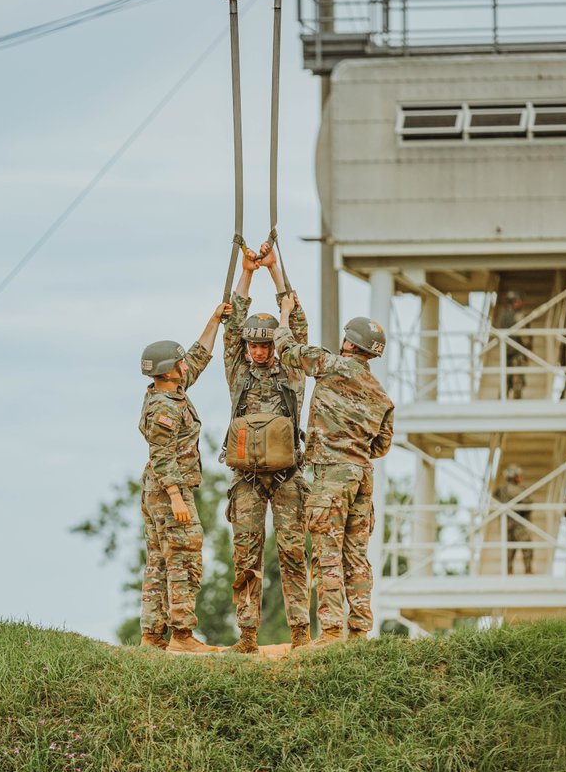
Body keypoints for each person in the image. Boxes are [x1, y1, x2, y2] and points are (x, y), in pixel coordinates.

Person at [275, 298, 394, 648]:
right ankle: (358, 631)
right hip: (362, 476)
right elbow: (381, 446)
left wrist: (284, 315)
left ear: (348, 343)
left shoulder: (331, 365)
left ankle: (329, 632)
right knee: (356, 556)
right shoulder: (381, 395)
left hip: (331, 476)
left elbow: (287, 348)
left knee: (327, 552)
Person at [222, 242, 311, 653]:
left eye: (265, 344)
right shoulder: (238, 372)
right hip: (247, 480)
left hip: (287, 477)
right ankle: (248, 635)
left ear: (275, 343)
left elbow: (300, 324)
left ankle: (300, 632)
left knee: (293, 554)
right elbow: (232, 324)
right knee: (246, 557)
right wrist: (246, 274)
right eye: (252, 345)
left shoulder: (290, 370)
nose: (258, 350)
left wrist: (276, 272)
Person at [137, 300, 230, 654]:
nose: (183, 364)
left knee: (159, 559)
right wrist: (177, 497)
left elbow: (198, 357)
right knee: (183, 556)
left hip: (157, 489)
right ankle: (181, 634)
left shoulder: (170, 390)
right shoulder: (164, 407)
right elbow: (161, 457)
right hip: (168, 489)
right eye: (177, 362)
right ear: (168, 371)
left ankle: (152, 635)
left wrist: (214, 320)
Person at [493, 465, 534, 575]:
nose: (520, 477)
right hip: (511, 525)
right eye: (518, 475)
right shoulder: (503, 491)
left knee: (523, 548)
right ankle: (510, 572)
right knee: (511, 551)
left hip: (517, 523)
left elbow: (529, 503)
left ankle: (525, 571)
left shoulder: (520, 489)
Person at [495, 290, 530, 400]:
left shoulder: (504, 315)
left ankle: (504, 402)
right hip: (513, 353)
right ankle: (511, 403)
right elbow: (526, 339)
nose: (520, 303)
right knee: (512, 382)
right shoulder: (515, 316)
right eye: (518, 301)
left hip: (511, 353)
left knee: (510, 381)